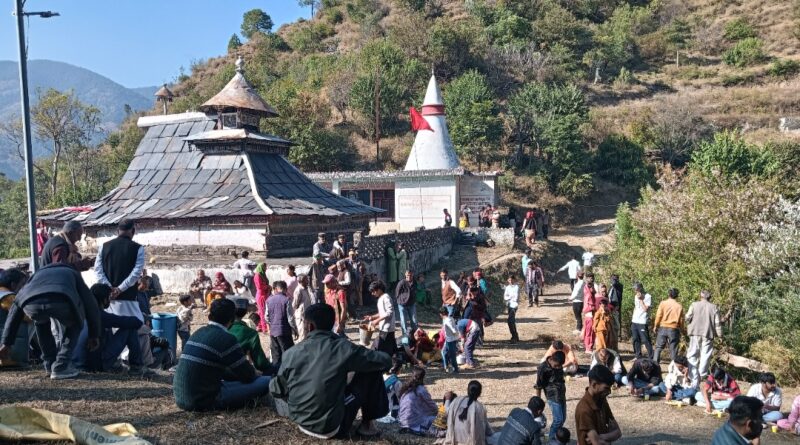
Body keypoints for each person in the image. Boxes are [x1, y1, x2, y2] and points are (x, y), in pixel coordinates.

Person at [270, 303, 392, 438]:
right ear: (332, 323)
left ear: (309, 326)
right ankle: (367, 427)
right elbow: (384, 360)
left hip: (300, 422)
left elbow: (276, 389)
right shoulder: (343, 348)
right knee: (372, 370)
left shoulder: (291, 353)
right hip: (333, 428)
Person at [0, 263, 101, 379]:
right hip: (62, 299)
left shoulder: (36, 275)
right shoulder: (72, 273)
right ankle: (61, 366)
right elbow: (90, 304)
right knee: (76, 323)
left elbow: (14, 311)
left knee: (40, 322)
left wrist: (6, 343)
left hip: (31, 303)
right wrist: (94, 335)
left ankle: (49, 364)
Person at [174, 298, 270, 411]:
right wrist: (255, 372)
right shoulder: (226, 339)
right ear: (232, 319)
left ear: (209, 316)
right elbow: (247, 376)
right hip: (204, 400)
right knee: (267, 381)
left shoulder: (198, 332)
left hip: (181, 398)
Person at [74, 283, 145, 374]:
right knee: (129, 329)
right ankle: (137, 367)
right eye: (108, 298)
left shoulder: (81, 312)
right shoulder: (100, 315)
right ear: (104, 299)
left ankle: (117, 364)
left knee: (106, 331)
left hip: (76, 363)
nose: (109, 301)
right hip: (94, 365)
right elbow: (136, 322)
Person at [94, 219, 145, 322]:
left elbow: (98, 270)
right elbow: (136, 273)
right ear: (133, 231)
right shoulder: (138, 248)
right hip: (128, 299)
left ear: (117, 231)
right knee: (134, 327)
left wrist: (109, 288)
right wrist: (120, 289)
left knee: (110, 330)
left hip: (108, 300)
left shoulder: (104, 246)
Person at [574, 365, 622, 445]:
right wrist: (606, 438)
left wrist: (599, 437)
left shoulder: (602, 400)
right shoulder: (584, 409)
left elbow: (618, 432)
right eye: (606, 388)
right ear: (594, 385)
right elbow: (597, 443)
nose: (609, 392)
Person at [229, 298, 274, 375]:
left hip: (217, 375)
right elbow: (261, 363)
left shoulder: (222, 327)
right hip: (236, 375)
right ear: (246, 311)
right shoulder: (250, 333)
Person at [685, 289, 722, 383]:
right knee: (705, 355)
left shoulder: (694, 304)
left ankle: (692, 375)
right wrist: (720, 335)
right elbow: (717, 323)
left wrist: (689, 322)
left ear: (701, 296)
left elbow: (687, 317)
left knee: (693, 353)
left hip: (694, 332)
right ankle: (701, 375)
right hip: (708, 333)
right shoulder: (714, 307)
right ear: (709, 297)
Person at [445, 380, 493, 445]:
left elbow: (447, 411)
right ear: (480, 393)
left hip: (454, 441)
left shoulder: (457, 401)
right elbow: (486, 430)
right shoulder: (480, 407)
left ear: (467, 390)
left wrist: (447, 399)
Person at [536, 351, 567, 442]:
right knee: (558, 420)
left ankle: (557, 438)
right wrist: (538, 400)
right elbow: (538, 385)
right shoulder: (543, 368)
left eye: (559, 366)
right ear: (552, 359)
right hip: (552, 396)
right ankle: (551, 440)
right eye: (556, 365)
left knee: (562, 419)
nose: (558, 367)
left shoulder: (559, 364)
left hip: (561, 395)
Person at [0, 269, 28, 368]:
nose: (23, 288)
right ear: (13, 285)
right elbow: (25, 317)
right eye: (22, 284)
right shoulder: (9, 297)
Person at [398, 366, 438, 434]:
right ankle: (415, 427)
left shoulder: (406, 387)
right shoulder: (421, 389)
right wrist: (439, 411)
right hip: (413, 422)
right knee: (436, 419)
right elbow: (431, 405)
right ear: (423, 377)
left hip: (402, 420)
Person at [267, 281, 295, 369]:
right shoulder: (286, 300)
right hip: (284, 331)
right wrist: (294, 329)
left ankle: (275, 375)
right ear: (285, 289)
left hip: (273, 331)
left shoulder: (269, 299)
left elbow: (266, 317)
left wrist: (273, 325)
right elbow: (290, 318)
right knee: (287, 354)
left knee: (276, 354)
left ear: (276, 289)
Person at [652, 288, 684, 363]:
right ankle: (673, 366)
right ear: (677, 296)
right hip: (674, 328)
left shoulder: (663, 303)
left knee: (658, 347)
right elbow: (681, 320)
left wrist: (655, 325)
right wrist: (682, 330)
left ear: (669, 294)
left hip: (663, 327)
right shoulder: (679, 306)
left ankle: (654, 364)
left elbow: (658, 315)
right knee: (673, 348)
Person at [366, 280, 396, 356]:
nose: (372, 294)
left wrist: (377, 321)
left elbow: (389, 312)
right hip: (385, 328)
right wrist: (372, 317)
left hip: (387, 328)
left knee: (377, 347)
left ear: (379, 290)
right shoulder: (381, 298)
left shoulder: (386, 297)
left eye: (373, 291)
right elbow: (382, 313)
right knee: (390, 348)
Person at [630, 282, 653, 359]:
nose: (635, 291)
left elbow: (646, 309)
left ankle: (651, 357)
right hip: (635, 321)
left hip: (642, 321)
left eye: (636, 289)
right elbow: (636, 307)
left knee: (645, 339)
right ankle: (638, 356)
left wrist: (641, 300)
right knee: (635, 339)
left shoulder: (648, 296)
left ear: (640, 288)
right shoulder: (635, 296)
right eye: (634, 289)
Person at [395, 270, 418, 338]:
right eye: (407, 275)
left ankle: (415, 335)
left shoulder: (414, 282)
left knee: (414, 320)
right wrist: (400, 300)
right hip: (402, 304)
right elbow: (397, 292)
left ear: (412, 275)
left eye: (410, 275)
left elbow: (415, 291)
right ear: (405, 275)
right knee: (403, 320)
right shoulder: (402, 282)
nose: (409, 277)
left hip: (411, 304)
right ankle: (405, 336)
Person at [292, 274, 313, 342]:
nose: (308, 281)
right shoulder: (298, 290)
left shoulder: (306, 288)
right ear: (301, 281)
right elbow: (295, 304)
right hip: (301, 315)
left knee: (307, 332)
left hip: (307, 313)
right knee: (302, 333)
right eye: (306, 279)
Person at [581, 274, 598, 353]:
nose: (591, 279)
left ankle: (588, 346)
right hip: (589, 312)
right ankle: (588, 348)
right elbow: (589, 301)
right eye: (589, 278)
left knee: (590, 331)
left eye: (592, 278)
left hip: (590, 312)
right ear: (586, 279)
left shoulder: (590, 287)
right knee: (589, 331)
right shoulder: (587, 289)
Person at [440, 306, 459, 373]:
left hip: (451, 340)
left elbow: (453, 329)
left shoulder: (448, 320)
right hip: (448, 340)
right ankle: (446, 367)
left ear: (441, 314)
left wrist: (455, 334)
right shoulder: (449, 318)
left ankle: (455, 369)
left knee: (452, 355)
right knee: (444, 352)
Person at [607, 275, 622, 350]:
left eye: (615, 279)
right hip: (609, 309)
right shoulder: (611, 287)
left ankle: (615, 347)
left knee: (615, 328)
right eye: (612, 279)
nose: (614, 281)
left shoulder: (619, 286)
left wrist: (614, 282)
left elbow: (616, 284)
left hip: (615, 310)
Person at [504, 275, 520, 343]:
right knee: (511, 321)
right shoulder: (507, 287)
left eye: (511, 280)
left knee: (510, 320)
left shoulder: (516, 287)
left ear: (514, 280)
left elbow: (516, 297)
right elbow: (505, 297)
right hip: (509, 305)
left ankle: (514, 336)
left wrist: (509, 297)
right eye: (509, 280)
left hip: (514, 305)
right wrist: (510, 297)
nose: (510, 281)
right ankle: (515, 336)